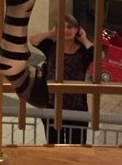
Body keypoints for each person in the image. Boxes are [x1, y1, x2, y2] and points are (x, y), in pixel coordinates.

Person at [29, 14, 94, 145]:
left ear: (77, 30)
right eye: (62, 28)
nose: (65, 31)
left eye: (70, 27)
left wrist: (84, 39)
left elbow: (97, 53)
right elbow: (33, 40)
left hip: (76, 108)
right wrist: (51, 32)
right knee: (54, 143)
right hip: (52, 105)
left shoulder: (82, 52)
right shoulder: (51, 47)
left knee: (77, 145)